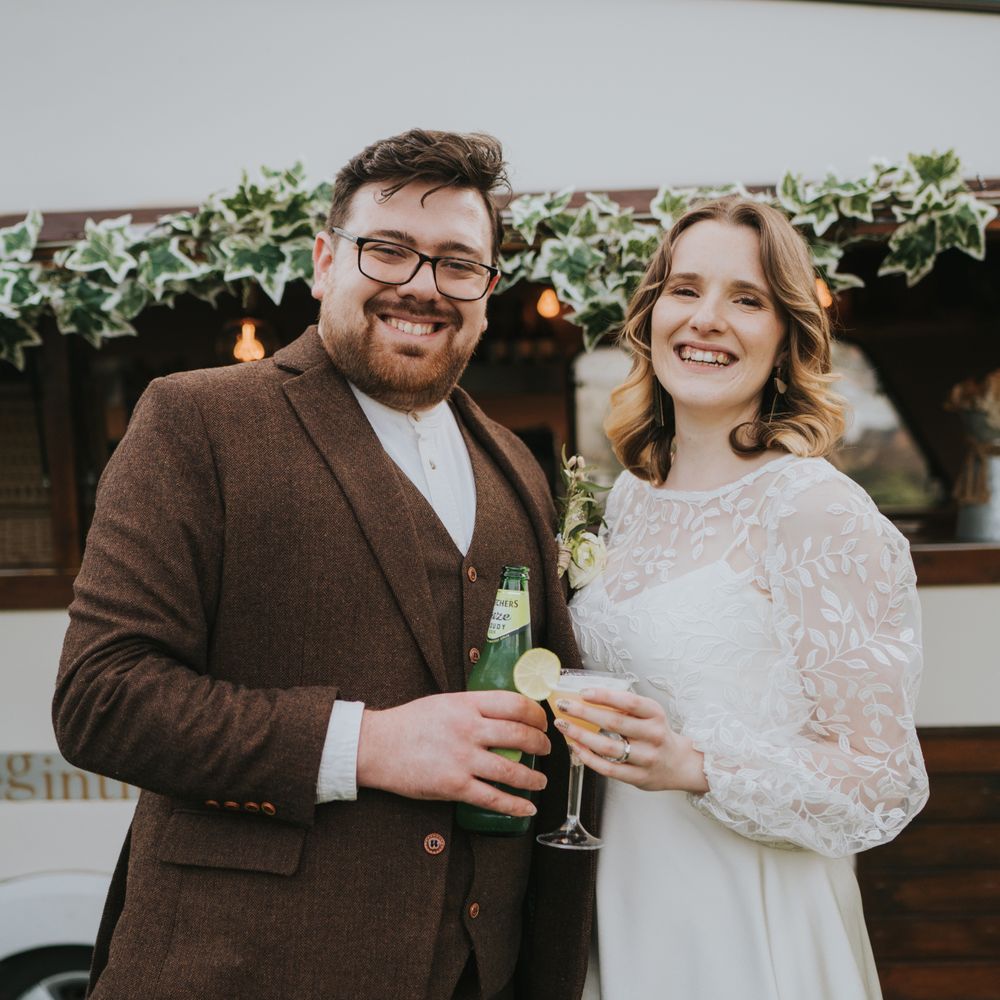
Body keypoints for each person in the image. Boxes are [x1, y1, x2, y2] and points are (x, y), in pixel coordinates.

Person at [53, 129, 592, 1000]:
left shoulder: (516, 465)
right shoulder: (197, 420)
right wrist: (370, 743)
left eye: (459, 263)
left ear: (488, 293)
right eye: (389, 251)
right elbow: (101, 700)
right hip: (242, 972)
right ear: (324, 261)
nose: (423, 285)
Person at [558, 197, 929, 1000]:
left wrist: (693, 764)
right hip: (620, 900)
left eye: (747, 299)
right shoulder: (628, 500)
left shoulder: (812, 509)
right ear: (651, 314)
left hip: (749, 917)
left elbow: (881, 777)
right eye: (685, 290)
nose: (707, 319)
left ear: (788, 337)